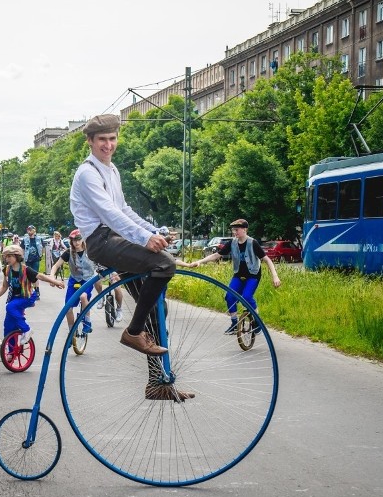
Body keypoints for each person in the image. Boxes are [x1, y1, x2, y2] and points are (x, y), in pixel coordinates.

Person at [71, 114, 193, 401]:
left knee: (156, 309)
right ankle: (133, 331)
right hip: (101, 241)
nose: (108, 145)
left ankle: (158, 383)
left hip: (117, 238)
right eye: (102, 139)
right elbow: (109, 214)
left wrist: (154, 230)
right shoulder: (87, 173)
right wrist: (144, 238)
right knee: (165, 264)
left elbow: (123, 209)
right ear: (90, 141)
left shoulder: (111, 171)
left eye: (112, 139)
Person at [192, 219, 281, 334]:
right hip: (238, 275)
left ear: (244, 229)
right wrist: (200, 261)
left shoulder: (252, 243)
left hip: (253, 275)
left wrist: (275, 276)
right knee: (229, 296)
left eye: (237, 230)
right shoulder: (232, 243)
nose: (235, 232)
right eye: (234, 230)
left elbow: (267, 260)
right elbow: (216, 255)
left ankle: (258, 322)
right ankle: (234, 323)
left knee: (247, 297)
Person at [0, 244, 64, 346]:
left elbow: (40, 276)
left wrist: (55, 282)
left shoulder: (25, 269)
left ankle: (26, 330)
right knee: (8, 326)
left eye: (9, 256)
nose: (7, 259)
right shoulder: (6, 269)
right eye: (6, 257)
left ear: (17, 256)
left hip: (27, 297)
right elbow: (4, 286)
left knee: (10, 307)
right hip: (14, 298)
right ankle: (12, 352)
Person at [49, 229, 95, 335]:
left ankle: (87, 323)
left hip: (87, 279)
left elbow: (102, 260)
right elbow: (56, 266)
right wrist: (52, 277)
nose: (76, 242)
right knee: (68, 308)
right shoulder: (68, 252)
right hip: (74, 280)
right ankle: (72, 332)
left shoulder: (90, 250)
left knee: (83, 297)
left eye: (78, 239)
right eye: (74, 240)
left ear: (82, 239)